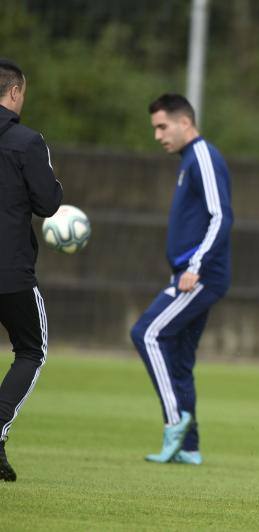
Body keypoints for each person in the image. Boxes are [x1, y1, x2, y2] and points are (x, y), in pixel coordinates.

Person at [130, 93, 233, 466]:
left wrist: (194, 266)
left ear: (184, 122)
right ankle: (188, 447)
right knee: (178, 361)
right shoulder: (189, 160)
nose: (157, 135)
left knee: (146, 332)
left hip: (200, 275)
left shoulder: (203, 156)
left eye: (162, 126)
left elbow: (221, 216)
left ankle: (175, 422)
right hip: (194, 272)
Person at [0, 59, 64, 481]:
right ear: (16, 92)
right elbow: (48, 203)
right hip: (10, 271)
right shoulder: (26, 141)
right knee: (31, 349)